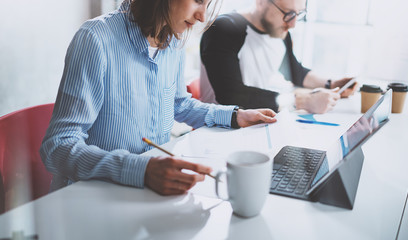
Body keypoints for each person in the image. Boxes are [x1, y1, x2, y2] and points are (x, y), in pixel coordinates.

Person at [40, 0, 277, 196]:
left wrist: (235, 116)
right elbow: (58, 145)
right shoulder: (95, 39)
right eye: (198, 1)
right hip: (91, 197)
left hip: (147, 194)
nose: (202, 17)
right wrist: (140, 170)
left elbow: (179, 104)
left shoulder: (174, 41)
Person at [199, 0, 358, 114]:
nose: (293, 23)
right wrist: (303, 101)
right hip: (220, 129)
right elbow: (231, 95)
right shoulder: (223, 29)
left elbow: (295, 72)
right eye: (288, 13)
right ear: (261, 2)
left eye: (298, 14)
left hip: (260, 120)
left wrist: (331, 84)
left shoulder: (280, 30)